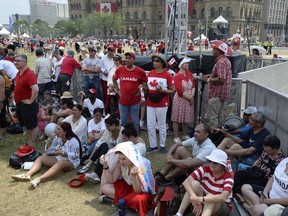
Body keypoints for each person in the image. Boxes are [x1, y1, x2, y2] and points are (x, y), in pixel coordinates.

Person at [11, 122, 82, 188]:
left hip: (72, 161)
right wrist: (49, 141)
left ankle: (39, 179)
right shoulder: (58, 138)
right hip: (60, 158)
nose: (56, 131)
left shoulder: (73, 140)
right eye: (56, 129)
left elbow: (76, 156)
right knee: (41, 158)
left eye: (58, 129)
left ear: (65, 132)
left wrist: (63, 153)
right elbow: (49, 151)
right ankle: (27, 175)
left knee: (61, 163)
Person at [99, 141, 156, 216]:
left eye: (124, 159)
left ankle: (119, 202)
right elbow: (112, 180)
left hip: (140, 190)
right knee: (105, 187)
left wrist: (134, 176)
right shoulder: (120, 164)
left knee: (138, 200)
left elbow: (138, 190)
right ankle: (124, 203)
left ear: (131, 157)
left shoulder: (140, 166)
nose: (121, 161)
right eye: (119, 158)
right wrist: (105, 166)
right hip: (128, 187)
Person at [175, 149, 234, 216]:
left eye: (215, 162)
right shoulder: (205, 168)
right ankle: (179, 214)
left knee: (211, 197)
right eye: (210, 161)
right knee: (194, 184)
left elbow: (222, 197)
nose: (211, 164)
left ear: (222, 165)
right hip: (204, 200)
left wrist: (200, 199)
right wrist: (194, 197)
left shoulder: (228, 177)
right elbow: (186, 182)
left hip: (221, 207)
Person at [146, 54, 175, 153]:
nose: (154, 62)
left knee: (162, 125)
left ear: (162, 63)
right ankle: (153, 146)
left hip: (162, 102)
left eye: (157, 61)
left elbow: (173, 90)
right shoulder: (150, 73)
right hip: (150, 102)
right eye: (154, 60)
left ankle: (162, 145)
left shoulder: (167, 74)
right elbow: (148, 87)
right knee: (150, 125)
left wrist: (163, 91)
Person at [201, 42, 232, 130]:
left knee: (212, 117)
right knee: (220, 117)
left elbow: (221, 79)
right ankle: (219, 136)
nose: (212, 50)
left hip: (217, 95)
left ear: (218, 50)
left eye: (214, 49)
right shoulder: (225, 60)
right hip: (222, 95)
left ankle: (214, 136)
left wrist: (208, 79)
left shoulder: (221, 62)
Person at [113, 52, 148, 130]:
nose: (128, 60)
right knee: (123, 122)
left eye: (130, 58)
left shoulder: (140, 71)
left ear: (134, 60)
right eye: (126, 58)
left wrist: (142, 91)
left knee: (135, 122)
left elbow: (145, 85)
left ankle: (135, 139)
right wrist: (118, 90)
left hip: (135, 102)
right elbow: (114, 79)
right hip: (123, 101)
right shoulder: (120, 70)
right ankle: (123, 139)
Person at [14, 54, 39, 147]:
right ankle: (29, 141)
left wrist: (30, 100)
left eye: (18, 61)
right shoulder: (18, 73)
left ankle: (32, 143)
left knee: (32, 125)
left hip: (27, 104)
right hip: (20, 104)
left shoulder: (29, 74)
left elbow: (35, 89)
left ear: (24, 62)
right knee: (26, 125)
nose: (15, 62)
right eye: (15, 60)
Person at [171, 58, 195, 144]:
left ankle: (185, 134)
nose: (188, 64)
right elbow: (179, 90)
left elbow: (193, 86)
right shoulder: (177, 76)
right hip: (180, 99)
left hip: (188, 98)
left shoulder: (189, 74)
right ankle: (176, 136)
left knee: (186, 118)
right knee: (177, 119)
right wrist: (189, 97)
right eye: (186, 63)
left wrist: (192, 95)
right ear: (181, 65)